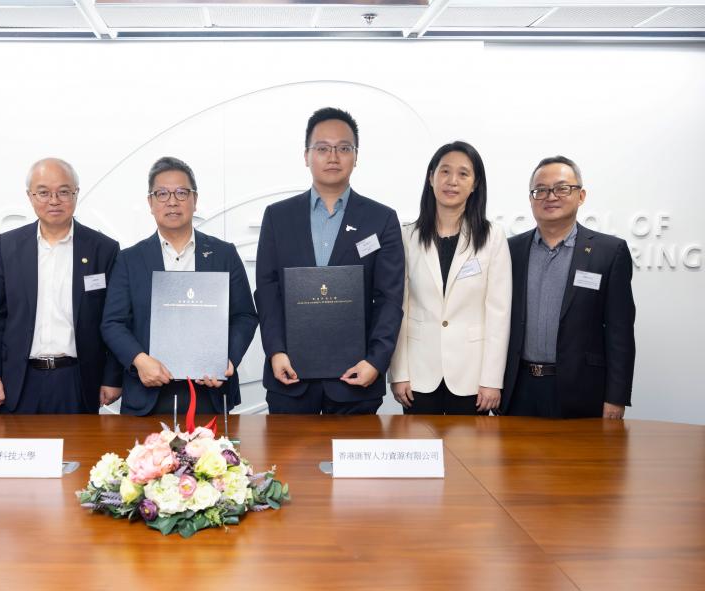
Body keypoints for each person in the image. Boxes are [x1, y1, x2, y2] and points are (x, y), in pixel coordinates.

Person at [255, 107, 404, 415]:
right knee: (288, 464)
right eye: (322, 148)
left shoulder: (382, 219)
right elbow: (267, 291)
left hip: (355, 378)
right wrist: (276, 351)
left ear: (356, 156)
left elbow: (389, 298)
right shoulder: (277, 217)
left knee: (355, 463)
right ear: (306, 155)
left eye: (343, 148)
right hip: (290, 375)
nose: (333, 156)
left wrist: (376, 361)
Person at [101, 156, 257, 415]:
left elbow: (245, 316)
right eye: (161, 194)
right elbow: (113, 323)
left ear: (195, 200)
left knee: (212, 457)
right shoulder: (130, 259)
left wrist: (225, 359)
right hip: (147, 392)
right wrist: (140, 361)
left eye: (181, 193)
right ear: (150, 203)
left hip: (210, 389)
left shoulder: (223, 254)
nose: (172, 201)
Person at [0, 158, 122, 414]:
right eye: (44, 192)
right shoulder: (9, 246)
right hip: (20, 379)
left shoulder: (103, 249)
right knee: (22, 451)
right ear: (30, 196)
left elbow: (114, 319)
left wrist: (112, 377)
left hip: (78, 378)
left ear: (76, 194)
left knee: (77, 453)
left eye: (64, 192)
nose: (54, 200)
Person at [501, 156, 635, 419]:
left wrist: (616, 398)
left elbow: (620, 332)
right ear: (531, 198)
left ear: (581, 195)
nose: (550, 196)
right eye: (540, 190)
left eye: (562, 188)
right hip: (518, 389)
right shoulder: (510, 250)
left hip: (582, 390)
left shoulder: (609, 252)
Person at [388, 141, 511, 415]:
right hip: (419, 374)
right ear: (431, 177)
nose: (452, 181)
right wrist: (399, 373)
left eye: (463, 174)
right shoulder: (407, 237)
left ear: (475, 183)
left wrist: (492, 380)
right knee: (420, 453)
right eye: (444, 171)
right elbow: (399, 309)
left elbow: (499, 313)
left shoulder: (493, 237)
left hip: (472, 376)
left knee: (469, 456)